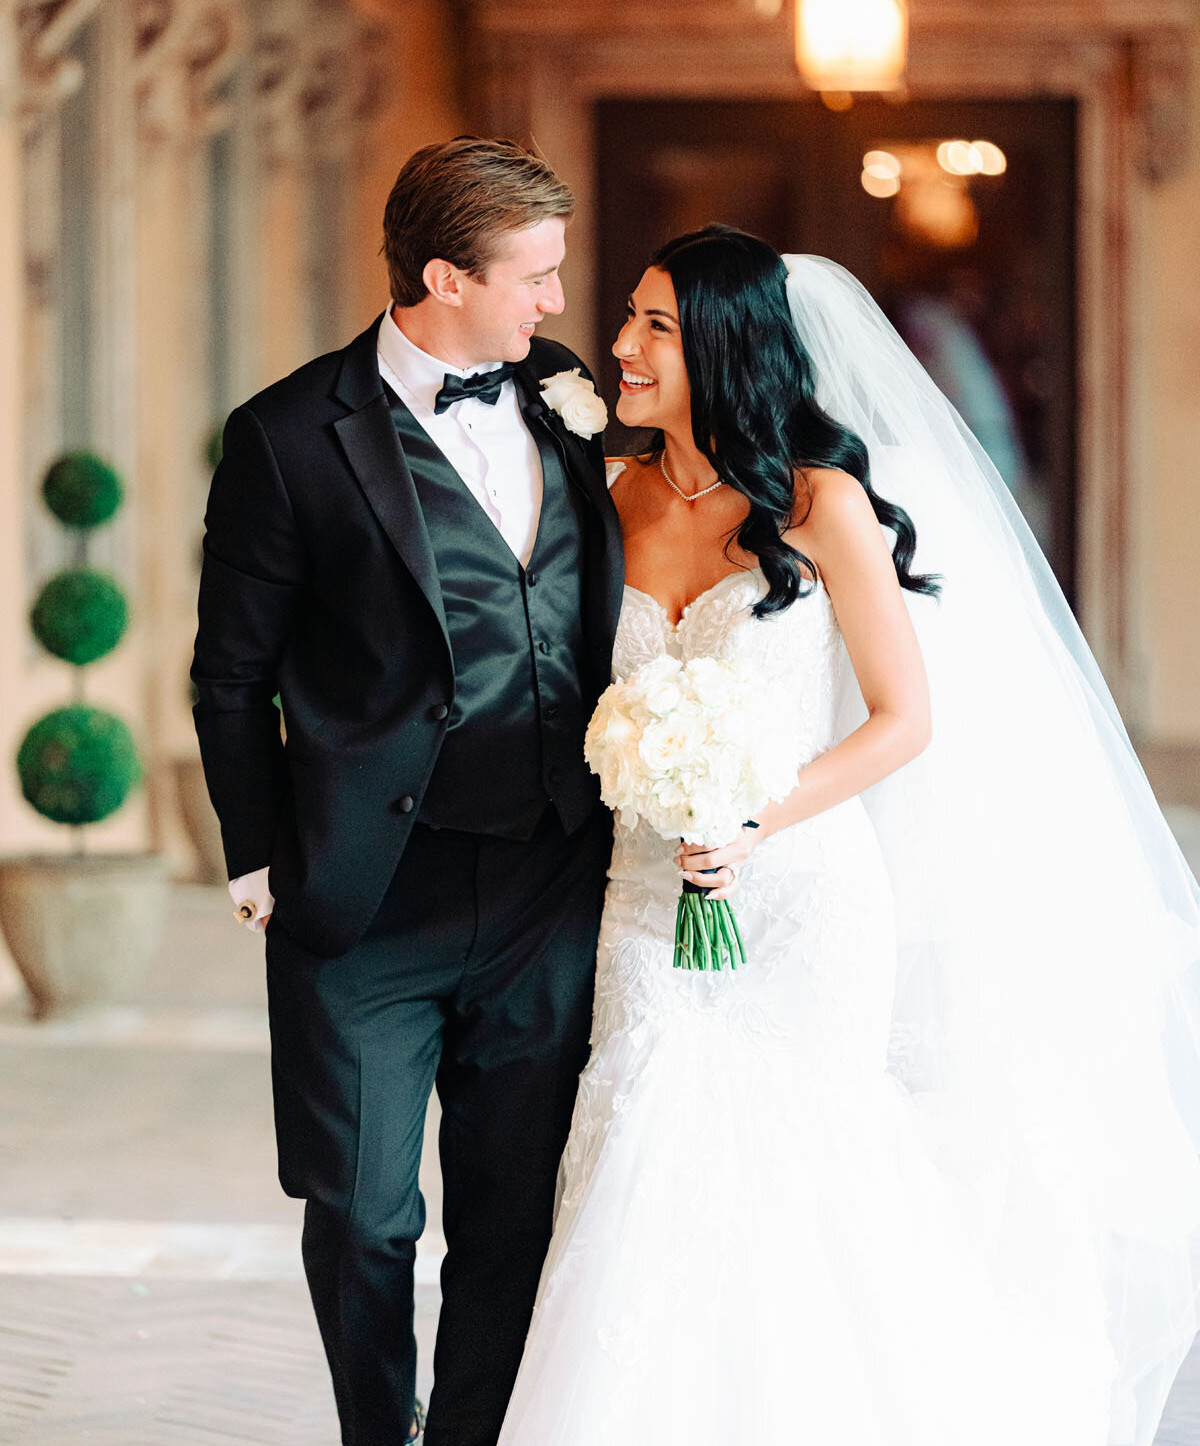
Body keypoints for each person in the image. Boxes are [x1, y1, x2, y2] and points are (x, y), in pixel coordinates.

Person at [497, 225, 1200, 1446]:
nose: (621, 345)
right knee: (638, 1158)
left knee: (798, 1179)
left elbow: (902, 720)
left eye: (655, 326)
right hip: (646, 900)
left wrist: (757, 817)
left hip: (803, 898)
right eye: (629, 320)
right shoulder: (615, 499)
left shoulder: (824, 504)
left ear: (724, 346)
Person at [190, 137, 624, 1446]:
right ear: (444, 274)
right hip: (367, 900)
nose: (555, 303)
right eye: (533, 276)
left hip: (547, 879)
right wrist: (259, 861)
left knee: (509, 1216)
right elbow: (228, 674)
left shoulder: (563, 393)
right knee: (365, 1215)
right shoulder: (285, 437)